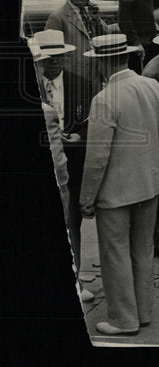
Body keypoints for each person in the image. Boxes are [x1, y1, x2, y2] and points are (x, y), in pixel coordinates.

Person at [79, 34, 159, 336]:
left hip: (114, 192)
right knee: (143, 250)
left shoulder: (104, 100)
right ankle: (143, 312)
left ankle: (123, 318)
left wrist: (87, 198)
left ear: (103, 63)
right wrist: (153, 168)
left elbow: (96, 158)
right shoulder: (153, 87)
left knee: (115, 255)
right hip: (149, 183)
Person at [29, 29, 96, 302]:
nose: (54, 62)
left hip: (72, 166)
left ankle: (76, 279)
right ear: (38, 61)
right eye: (48, 58)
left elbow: (94, 123)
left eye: (58, 57)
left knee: (72, 223)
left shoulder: (82, 85)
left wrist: (80, 135)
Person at [44, 0, 113, 81]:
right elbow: (50, 52)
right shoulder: (58, 17)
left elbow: (107, 35)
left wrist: (97, 20)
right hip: (74, 75)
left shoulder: (89, 11)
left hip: (95, 72)